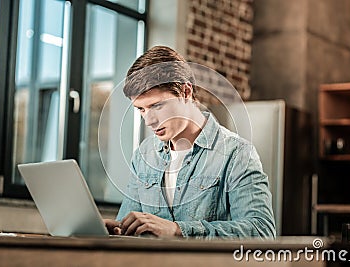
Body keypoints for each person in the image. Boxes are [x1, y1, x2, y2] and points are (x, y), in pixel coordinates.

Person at [104, 45, 276, 238]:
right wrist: (119, 230)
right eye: (141, 110)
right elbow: (131, 225)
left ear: (186, 92)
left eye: (157, 106)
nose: (149, 120)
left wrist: (177, 230)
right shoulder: (144, 154)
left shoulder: (237, 153)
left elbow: (262, 231)